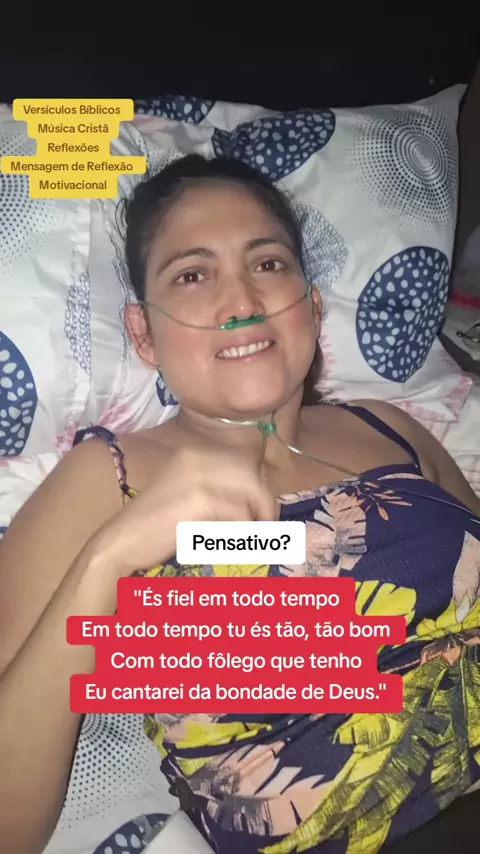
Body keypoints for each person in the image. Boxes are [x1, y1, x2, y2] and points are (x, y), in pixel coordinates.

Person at [1, 154, 480, 854]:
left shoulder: (391, 428)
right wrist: (111, 560)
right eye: (193, 275)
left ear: (312, 307)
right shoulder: (104, 479)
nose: (242, 301)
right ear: (143, 333)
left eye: (268, 264)